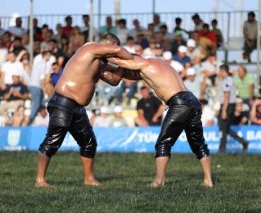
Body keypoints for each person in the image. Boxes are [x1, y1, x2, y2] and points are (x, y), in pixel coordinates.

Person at [35, 33, 133, 188]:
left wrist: (122, 65)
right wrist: (130, 58)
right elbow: (121, 52)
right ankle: (40, 180)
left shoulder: (99, 61)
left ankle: (89, 179)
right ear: (108, 45)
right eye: (112, 51)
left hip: (78, 107)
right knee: (52, 140)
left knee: (89, 143)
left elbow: (114, 80)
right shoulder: (91, 48)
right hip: (63, 101)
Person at [107, 54, 214, 188]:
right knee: (198, 143)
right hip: (193, 100)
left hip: (179, 102)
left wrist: (104, 55)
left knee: (163, 143)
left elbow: (123, 62)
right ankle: (208, 181)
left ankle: (159, 181)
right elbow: (131, 74)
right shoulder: (161, 65)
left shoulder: (145, 63)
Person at [217, 64, 249, 153]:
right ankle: (243, 141)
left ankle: (222, 149)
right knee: (225, 128)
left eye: (220, 71)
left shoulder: (225, 81)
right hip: (230, 105)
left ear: (223, 71)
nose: (219, 73)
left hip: (226, 105)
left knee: (223, 128)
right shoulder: (231, 80)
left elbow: (226, 96)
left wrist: (224, 110)